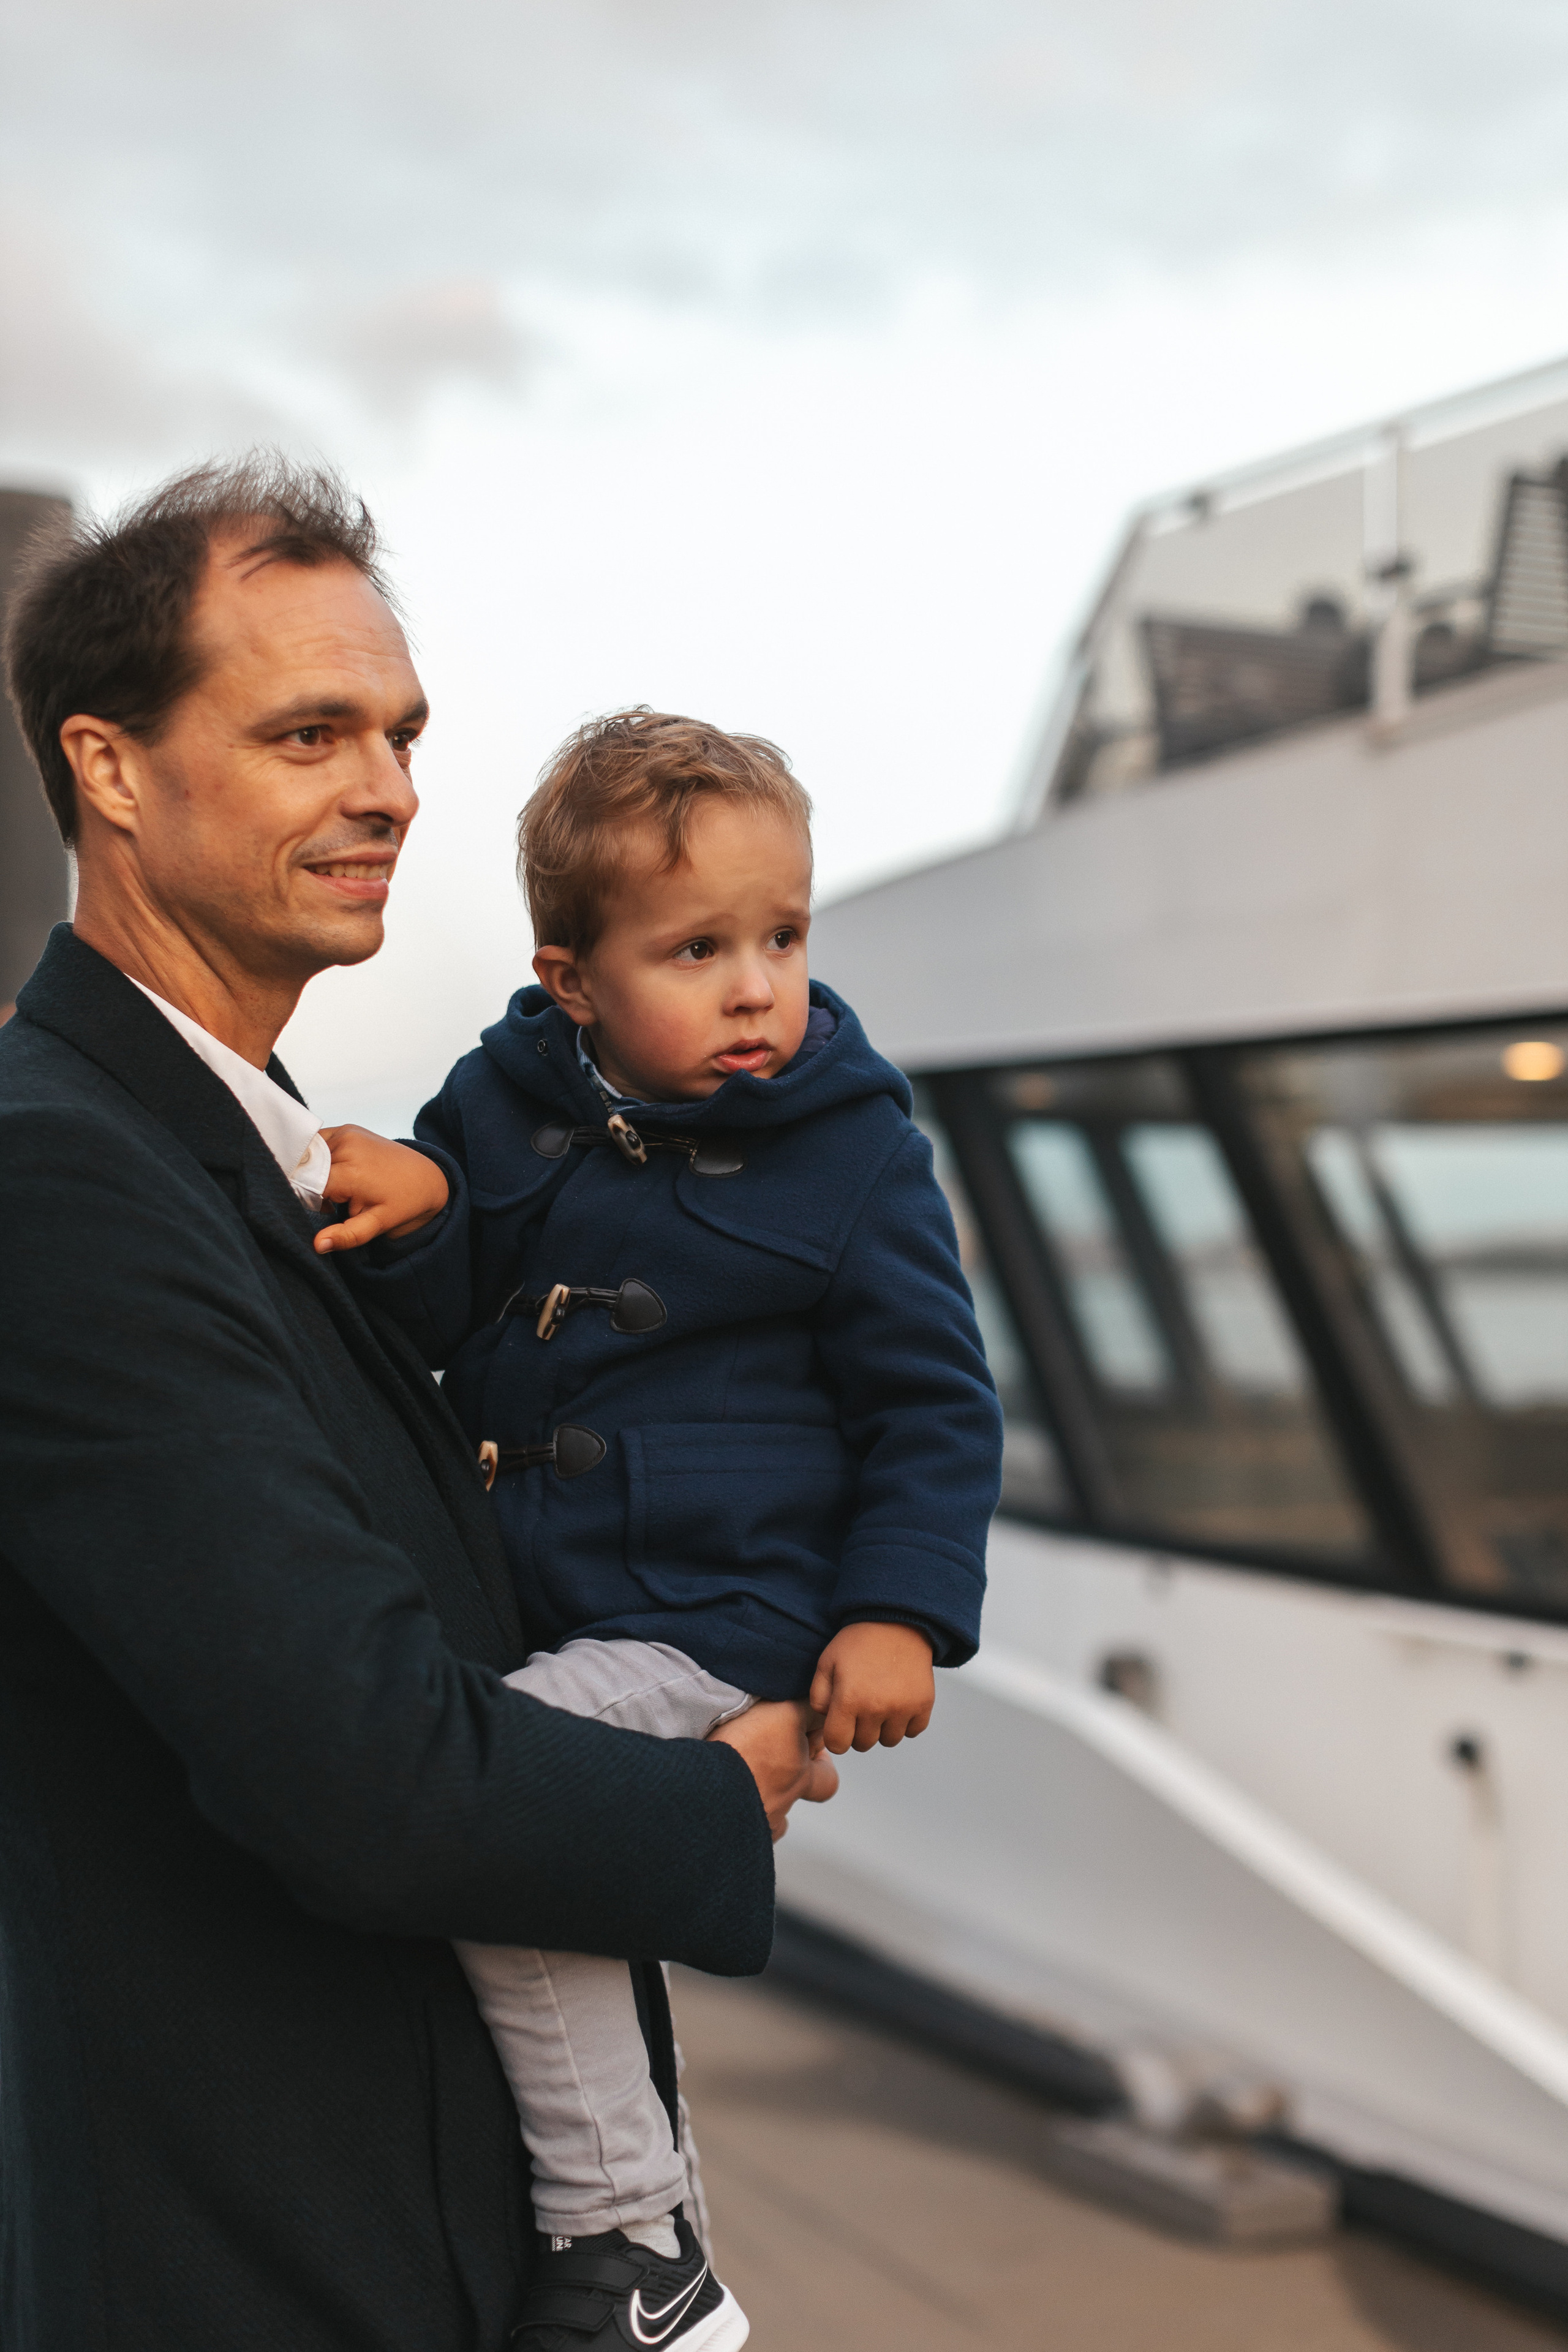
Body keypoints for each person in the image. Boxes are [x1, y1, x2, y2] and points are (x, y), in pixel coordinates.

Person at [0, 463, 835, 2352]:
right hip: (255, 2264)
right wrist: (720, 1789)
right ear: (110, 771)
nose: (387, 789)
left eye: (398, 734)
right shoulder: (58, 1179)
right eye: (309, 733)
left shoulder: (236, 1150)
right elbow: (365, 1776)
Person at [318, 709, 1005, 2350]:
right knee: (521, 1832)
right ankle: (658, 2212)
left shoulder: (855, 1157)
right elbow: (453, 1302)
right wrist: (424, 1209)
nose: (759, 984)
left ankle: (628, 2232)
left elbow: (937, 1407)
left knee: (494, 1791)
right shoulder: (500, 1101)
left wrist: (897, 1614)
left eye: (782, 936)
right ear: (575, 980)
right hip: (562, 1598)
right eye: (697, 948)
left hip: (732, 1615)